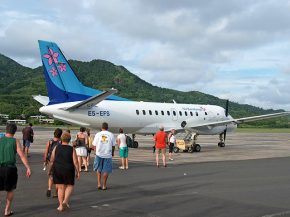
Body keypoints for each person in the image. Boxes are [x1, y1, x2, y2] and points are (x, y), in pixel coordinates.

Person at [0, 123, 31, 216]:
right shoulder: (15, 141)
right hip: (10, 168)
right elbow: (21, 155)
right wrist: (28, 167)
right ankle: (7, 210)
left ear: (6, 130)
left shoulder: (0, 140)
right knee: (10, 190)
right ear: (15, 131)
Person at [48, 132, 80, 212]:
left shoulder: (56, 147)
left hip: (58, 169)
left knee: (60, 188)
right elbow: (75, 161)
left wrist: (49, 170)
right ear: (69, 140)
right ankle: (65, 201)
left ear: (61, 139)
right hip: (69, 169)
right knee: (70, 185)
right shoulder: (71, 149)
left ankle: (60, 206)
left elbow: (52, 160)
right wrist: (78, 171)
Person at [92, 122, 115, 190]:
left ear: (101, 127)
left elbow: (94, 145)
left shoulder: (98, 134)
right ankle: (104, 185)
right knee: (106, 170)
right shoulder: (111, 134)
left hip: (99, 154)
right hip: (107, 154)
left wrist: (95, 152)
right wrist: (112, 153)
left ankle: (99, 183)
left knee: (98, 169)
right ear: (107, 128)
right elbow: (113, 146)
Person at [43, 128, 62, 198]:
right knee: (57, 177)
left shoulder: (50, 141)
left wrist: (45, 160)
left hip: (50, 160)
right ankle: (56, 193)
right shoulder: (61, 142)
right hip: (58, 161)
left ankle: (49, 188)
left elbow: (46, 151)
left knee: (51, 175)